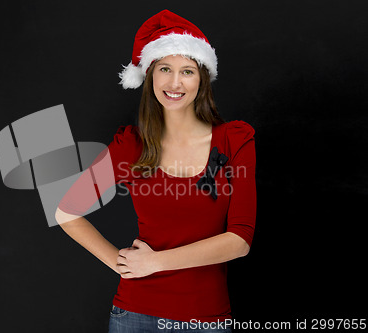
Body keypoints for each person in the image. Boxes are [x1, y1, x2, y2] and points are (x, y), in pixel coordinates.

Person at [55, 9, 256, 333]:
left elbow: (239, 241)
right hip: (135, 315)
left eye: (187, 71)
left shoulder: (234, 141)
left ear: (202, 77)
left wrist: (155, 262)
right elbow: (66, 212)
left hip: (206, 318)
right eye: (165, 69)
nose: (175, 82)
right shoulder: (131, 145)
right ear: (150, 75)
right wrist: (122, 265)